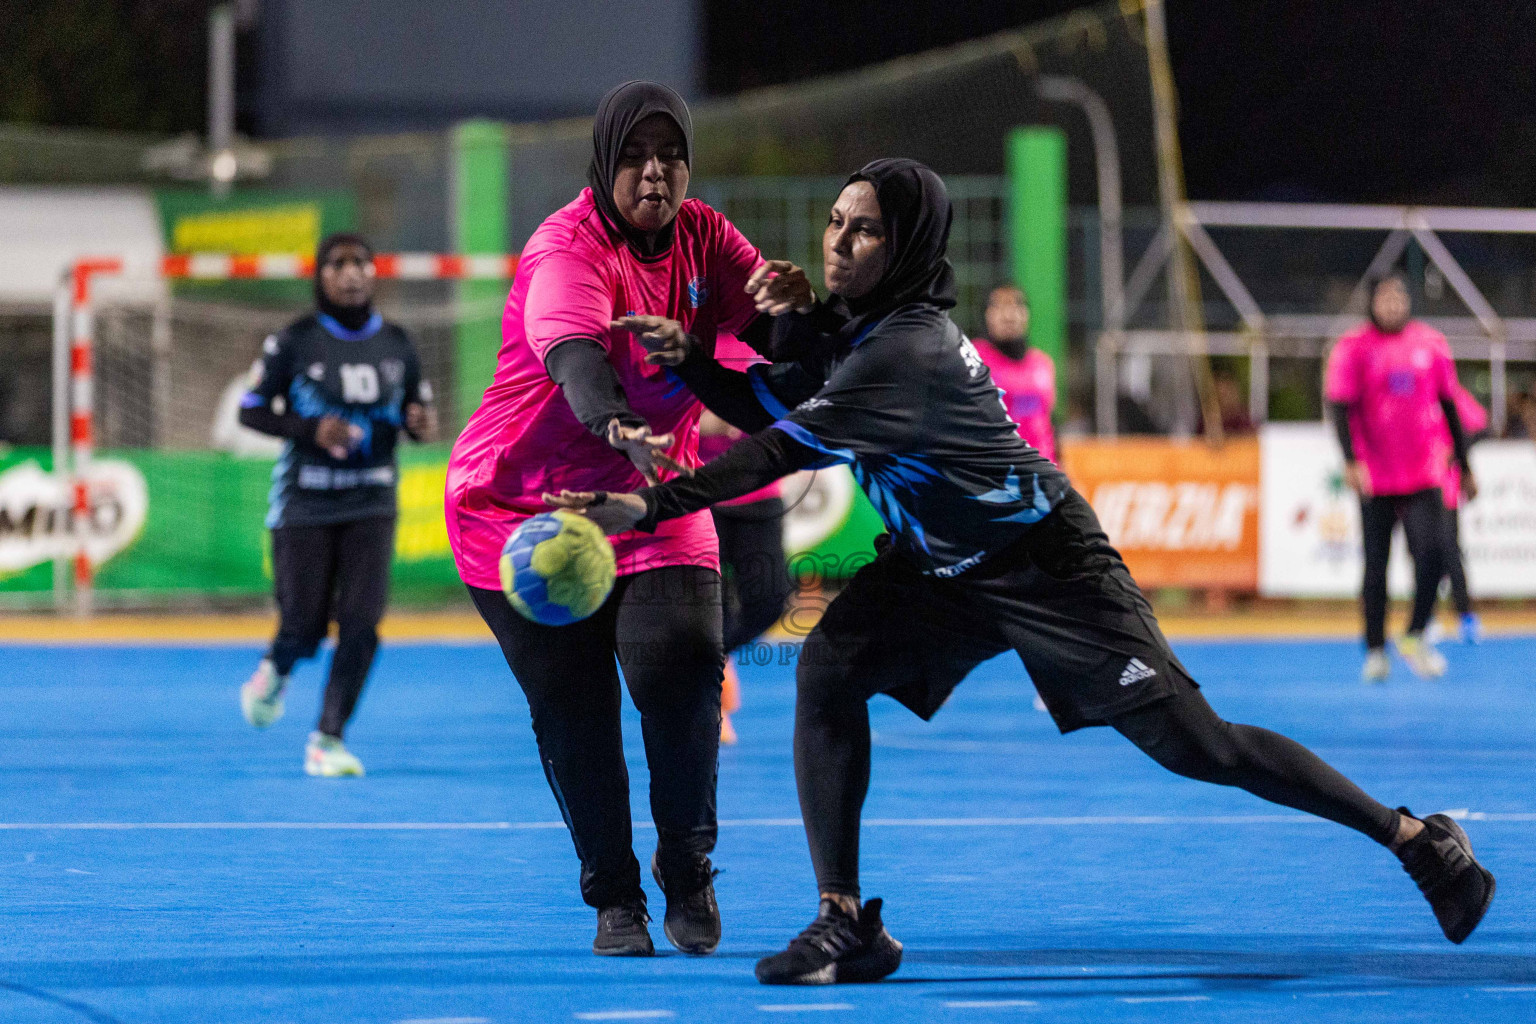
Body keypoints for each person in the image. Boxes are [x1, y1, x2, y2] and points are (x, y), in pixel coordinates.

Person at [550, 159, 1497, 985]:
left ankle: (1419, 842)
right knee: (828, 668)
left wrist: (648, 503)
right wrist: (714, 362)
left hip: (1048, 567)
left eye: (866, 228)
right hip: (943, 566)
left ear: (909, 244)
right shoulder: (867, 328)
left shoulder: (904, 353)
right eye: (836, 221)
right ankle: (847, 920)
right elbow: (786, 391)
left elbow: (776, 450)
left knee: (1200, 749)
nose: (840, 242)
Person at [445, 81, 777, 958]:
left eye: (670, 155)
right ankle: (615, 896)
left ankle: (688, 864)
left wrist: (836, 330)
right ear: (604, 163)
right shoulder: (567, 250)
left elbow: (779, 329)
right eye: (635, 156)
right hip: (522, 509)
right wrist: (621, 426)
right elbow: (579, 361)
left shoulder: (707, 237)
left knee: (683, 671)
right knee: (572, 704)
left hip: (651, 499)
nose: (655, 172)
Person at [237, 232, 438, 777]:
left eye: (361, 264)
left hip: (372, 502)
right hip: (304, 503)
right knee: (304, 627)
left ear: (375, 273)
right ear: (320, 275)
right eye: (338, 264)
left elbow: (417, 411)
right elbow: (251, 411)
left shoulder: (398, 342)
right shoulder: (294, 341)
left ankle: (328, 739)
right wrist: (310, 428)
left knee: (362, 624)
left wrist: (420, 425)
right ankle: (276, 668)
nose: (351, 274)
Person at [1325, 272, 1474, 683]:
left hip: (1424, 472)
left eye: (1399, 296)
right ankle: (1375, 650)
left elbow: (1450, 406)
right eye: (1384, 298)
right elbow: (1339, 407)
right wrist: (1350, 460)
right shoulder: (1353, 348)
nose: (1393, 304)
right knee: (1377, 564)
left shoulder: (1431, 343)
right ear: (1371, 302)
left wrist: (1464, 465)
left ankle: (1414, 635)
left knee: (1436, 554)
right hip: (1376, 476)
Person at [702, 336, 794, 745]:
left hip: (759, 494)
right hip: (704, 496)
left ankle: (717, 657)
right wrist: (703, 418)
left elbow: (787, 410)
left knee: (771, 598)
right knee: (710, 608)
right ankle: (715, 707)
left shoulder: (763, 342)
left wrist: (754, 417)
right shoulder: (691, 337)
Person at [974, 283, 1056, 462]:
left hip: (1042, 476)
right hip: (997, 476)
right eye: (999, 306)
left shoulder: (1042, 363)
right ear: (986, 314)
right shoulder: (973, 359)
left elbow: (1050, 425)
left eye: (1017, 305)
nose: (1009, 315)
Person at [1433, 384, 1489, 643]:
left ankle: (1465, 616)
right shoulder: (1407, 393)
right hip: (1414, 488)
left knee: (1451, 551)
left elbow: (1481, 424)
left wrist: (1456, 452)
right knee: (1420, 553)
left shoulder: (1450, 392)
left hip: (1445, 488)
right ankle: (1427, 618)